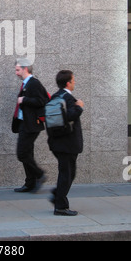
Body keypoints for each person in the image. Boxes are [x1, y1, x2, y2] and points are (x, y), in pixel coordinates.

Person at [48, 70, 84, 216]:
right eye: (73, 80)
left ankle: (58, 196)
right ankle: (61, 206)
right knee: (66, 174)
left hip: (58, 143)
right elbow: (69, 116)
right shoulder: (68, 99)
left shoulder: (56, 96)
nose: (75, 82)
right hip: (67, 144)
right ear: (68, 83)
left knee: (69, 172)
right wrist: (79, 106)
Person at [13, 59, 49, 193]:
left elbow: (42, 101)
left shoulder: (34, 83)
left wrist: (24, 100)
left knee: (22, 153)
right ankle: (30, 183)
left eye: (18, 70)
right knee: (27, 153)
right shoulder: (26, 84)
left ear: (25, 69)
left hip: (31, 125)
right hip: (25, 123)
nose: (16, 73)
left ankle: (39, 175)